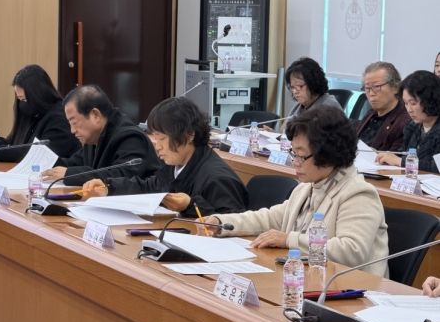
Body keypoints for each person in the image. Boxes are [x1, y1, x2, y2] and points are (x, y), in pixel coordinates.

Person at [199, 106, 389, 277]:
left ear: (328, 153)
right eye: (293, 154)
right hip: (308, 278)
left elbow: (351, 251)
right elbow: (269, 219)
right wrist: (221, 223)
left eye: (301, 156)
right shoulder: (306, 187)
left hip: (351, 289)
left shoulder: (359, 193)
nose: (295, 163)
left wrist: (290, 240)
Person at [81, 97, 249, 217]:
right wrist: (109, 188)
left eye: (162, 138)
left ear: (189, 135)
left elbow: (232, 224)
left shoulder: (217, 178)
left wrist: (190, 205)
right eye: (156, 138)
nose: (158, 146)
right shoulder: (176, 165)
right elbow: (147, 188)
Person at [41, 85, 162, 186]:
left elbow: (120, 176)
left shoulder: (131, 138)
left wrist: (69, 175)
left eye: (75, 123)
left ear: (95, 115)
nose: (72, 130)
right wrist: (43, 163)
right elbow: (71, 164)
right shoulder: (93, 138)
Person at [0, 64, 81, 162]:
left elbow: (42, 153)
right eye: (19, 100)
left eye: (24, 99)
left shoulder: (59, 118)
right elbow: (14, 143)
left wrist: (1, 152)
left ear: (38, 95)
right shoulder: (36, 114)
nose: (22, 104)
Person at [375, 71, 440, 173]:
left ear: (430, 101)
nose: (409, 109)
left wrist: (401, 162)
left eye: (413, 103)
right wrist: (382, 154)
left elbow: (436, 166)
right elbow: (403, 152)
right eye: (405, 103)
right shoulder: (412, 126)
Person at [356, 62, 410, 151]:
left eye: (377, 86)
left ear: (395, 87)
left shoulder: (405, 122)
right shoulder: (371, 113)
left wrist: (374, 154)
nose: (371, 93)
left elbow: (397, 156)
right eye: (367, 88)